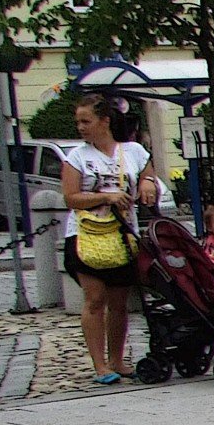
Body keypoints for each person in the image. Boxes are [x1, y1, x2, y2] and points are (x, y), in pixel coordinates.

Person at [61, 92, 158, 385]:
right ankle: (100, 365)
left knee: (119, 301)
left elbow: (149, 177)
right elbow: (71, 197)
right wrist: (105, 196)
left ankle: (117, 359)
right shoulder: (77, 157)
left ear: (104, 121)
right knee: (95, 298)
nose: (81, 127)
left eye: (86, 121)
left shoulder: (133, 151)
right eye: (78, 122)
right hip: (85, 235)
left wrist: (148, 184)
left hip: (121, 235)